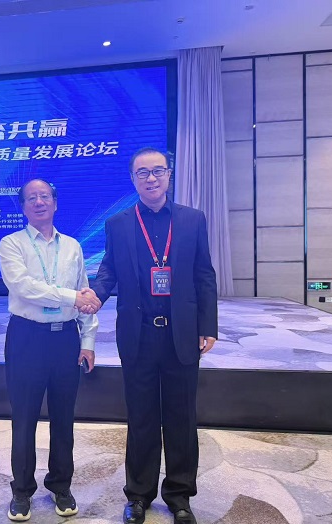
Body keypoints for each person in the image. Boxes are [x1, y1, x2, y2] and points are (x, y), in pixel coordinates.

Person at [86, 147, 217, 524]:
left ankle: (179, 495)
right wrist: (96, 295)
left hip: (182, 335)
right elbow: (109, 270)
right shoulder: (118, 224)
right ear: (133, 179)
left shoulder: (192, 219)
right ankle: (138, 495)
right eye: (142, 173)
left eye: (158, 171)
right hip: (139, 336)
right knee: (141, 417)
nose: (151, 178)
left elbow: (204, 275)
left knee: (181, 418)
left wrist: (208, 326)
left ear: (169, 174)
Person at [0, 179, 100, 521]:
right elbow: (24, 287)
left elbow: (84, 291)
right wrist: (73, 298)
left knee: (63, 418)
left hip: (65, 340)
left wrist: (87, 342)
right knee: (24, 418)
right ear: (23, 207)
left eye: (44, 196)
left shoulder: (72, 246)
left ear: (55, 203)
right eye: (31, 198)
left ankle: (60, 484)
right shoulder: (11, 244)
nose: (39, 202)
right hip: (27, 338)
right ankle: (22, 490)